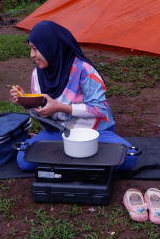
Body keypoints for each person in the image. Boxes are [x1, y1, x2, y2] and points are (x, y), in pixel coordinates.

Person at [11, 20, 137, 171]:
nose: (32, 55)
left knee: (129, 156)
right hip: (59, 132)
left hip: (94, 132)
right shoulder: (37, 74)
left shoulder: (83, 70)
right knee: (24, 160)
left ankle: (62, 163)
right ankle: (87, 166)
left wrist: (61, 108)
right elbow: (42, 112)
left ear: (50, 46)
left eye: (35, 49)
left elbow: (100, 109)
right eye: (31, 49)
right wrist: (27, 101)